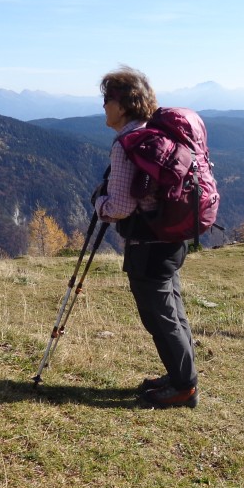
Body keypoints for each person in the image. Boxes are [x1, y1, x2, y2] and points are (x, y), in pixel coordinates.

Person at [92, 66, 199, 407]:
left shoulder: (127, 143)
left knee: (159, 316)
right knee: (173, 312)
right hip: (170, 239)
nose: (104, 106)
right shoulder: (155, 135)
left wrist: (98, 202)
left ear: (123, 104)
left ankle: (183, 387)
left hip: (148, 243)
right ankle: (181, 375)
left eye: (107, 99)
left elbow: (121, 206)